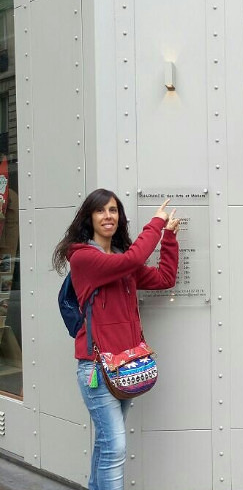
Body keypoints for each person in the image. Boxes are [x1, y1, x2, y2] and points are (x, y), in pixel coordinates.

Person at [51, 189, 180, 490]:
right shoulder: (83, 258)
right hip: (97, 368)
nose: (108, 216)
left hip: (126, 365)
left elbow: (165, 278)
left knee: (107, 444)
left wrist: (169, 238)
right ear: (89, 218)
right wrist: (157, 222)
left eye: (113, 210)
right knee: (116, 446)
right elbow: (136, 257)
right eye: (100, 211)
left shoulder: (121, 261)